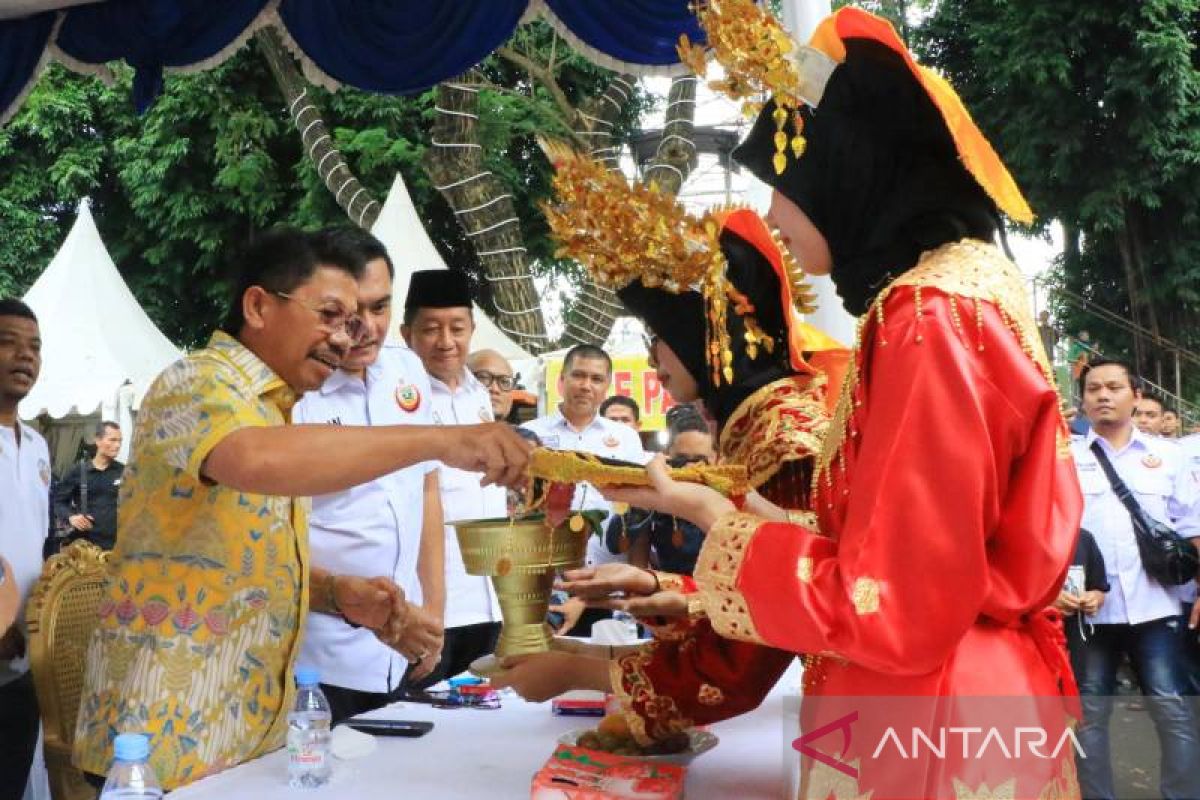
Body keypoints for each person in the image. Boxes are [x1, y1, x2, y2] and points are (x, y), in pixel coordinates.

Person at [505, 8, 1084, 798]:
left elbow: (895, 603)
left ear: (848, 171)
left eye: (786, 185)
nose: (775, 216)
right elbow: (883, 551)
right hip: (952, 689)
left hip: (928, 712)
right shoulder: (973, 289)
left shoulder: (925, 314)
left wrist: (711, 519)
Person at [72, 230, 531, 790]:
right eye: (330, 315)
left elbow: (237, 560)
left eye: (357, 317)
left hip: (250, 730)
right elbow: (252, 458)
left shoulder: (275, 411)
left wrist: (338, 594)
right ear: (259, 306)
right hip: (158, 741)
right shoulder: (196, 381)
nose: (344, 338)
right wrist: (440, 439)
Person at [504, 142, 843, 737]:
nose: (656, 356)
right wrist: (666, 586)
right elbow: (756, 583)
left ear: (704, 336)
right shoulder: (759, 421)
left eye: (661, 335)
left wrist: (582, 671)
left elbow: (750, 648)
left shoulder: (787, 439)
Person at [292, 228, 444, 723]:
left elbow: (426, 489)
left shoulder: (408, 374)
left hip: (402, 646)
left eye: (380, 308)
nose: (367, 328)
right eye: (349, 313)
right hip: (316, 661)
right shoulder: (294, 394)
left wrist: (433, 614)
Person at [1072, 358, 1200, 800]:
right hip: (1089, 612)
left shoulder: (1168, 455)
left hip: (1157, 604)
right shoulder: (1064, 458)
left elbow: (1190, 526)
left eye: (1113, 387)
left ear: (1136, 396)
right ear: (1083, 400)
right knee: (1089, 714)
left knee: (1172, 708)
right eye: (1093, 389)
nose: (1103, 395)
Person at [401, 269, 512, 688]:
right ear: (407, 332)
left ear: (472, 330)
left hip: (490, 601)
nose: (445, 341)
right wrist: (430, 610)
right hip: (433, 610)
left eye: (457, 328)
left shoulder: (479, 395)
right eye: (431, 329)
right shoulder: (399, 397)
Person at [0, 298, 51, 797]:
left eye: (34, 346)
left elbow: (37, 541)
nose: (25, 356)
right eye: (8, 342)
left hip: (23, 662)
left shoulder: (37, 445)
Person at [604, 406, 715, 574]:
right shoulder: (655, 491)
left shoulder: (728, 493)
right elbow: (617, 545)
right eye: (682, 459)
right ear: (667, 455)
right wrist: (641, 504)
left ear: (715, 457)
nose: (691, 467)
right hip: (668, 590)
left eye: (700, 460)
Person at [52, 420, 124, 550]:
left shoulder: (125, 472)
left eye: (120, 441)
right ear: (98, 440)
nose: (118, 445)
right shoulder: (79, 471)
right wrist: (71, 517)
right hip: (87, 547)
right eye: (112, 440)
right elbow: (58, 501)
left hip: (118, 546)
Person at [467, 348, 516, 422]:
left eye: (504, 382)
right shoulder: (445, 430)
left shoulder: (523, 433)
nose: (495, 389)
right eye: (484, 378)